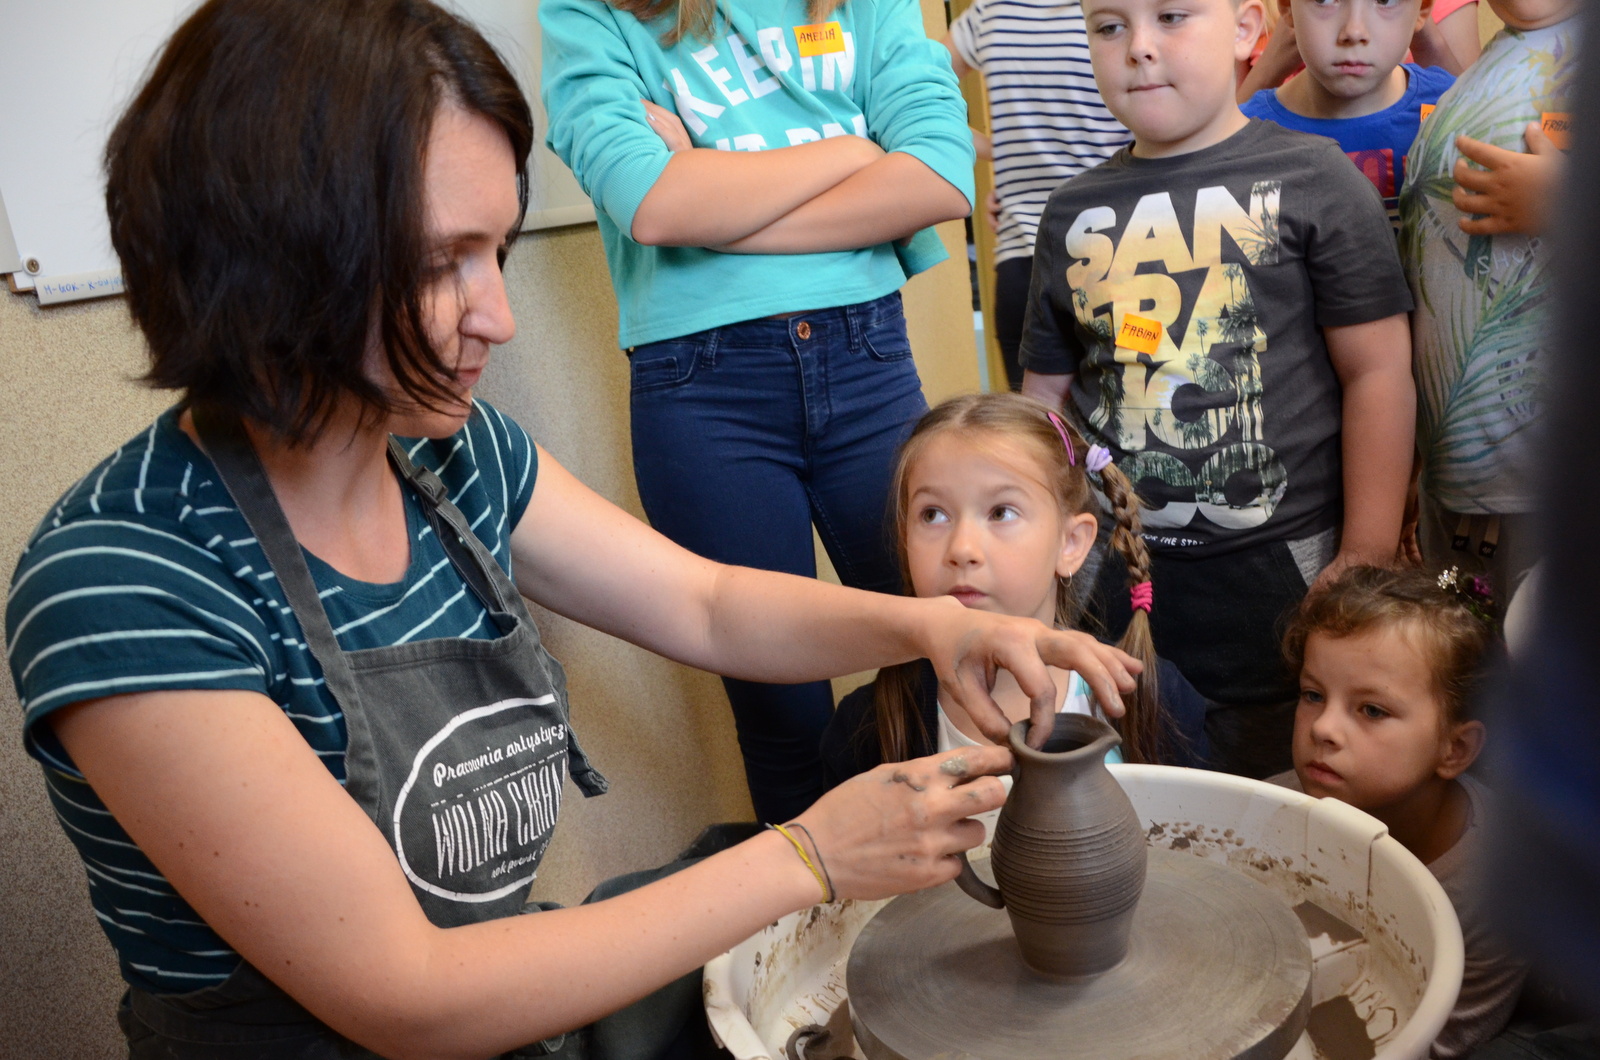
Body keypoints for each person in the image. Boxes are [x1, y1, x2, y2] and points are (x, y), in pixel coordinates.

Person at [4, 2, 1143, 1056]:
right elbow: (408, 994)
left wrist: (929, 628)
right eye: (443, 262)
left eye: (497, 252)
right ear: (274, 250)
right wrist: (804, 855)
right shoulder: (130, 578)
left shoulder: (452, 460)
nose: (495, 315)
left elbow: (706, 602)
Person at [539, 0, 976, 824]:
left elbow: (942, 172)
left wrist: (716, 207)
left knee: (946, 652)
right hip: (704, 387)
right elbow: (652, 203)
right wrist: (852, 150)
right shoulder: (586, 10)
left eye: (848, 148)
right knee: (782, 717)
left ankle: (955, 912)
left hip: (867, 358)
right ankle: (808, 934)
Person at [1019, 0, 1417, 778]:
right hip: (1112, 572)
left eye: (1171, 17)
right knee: (1134, 795)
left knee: (1278, 796)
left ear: (1247, 30)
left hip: (1285, 569)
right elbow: (1043, 403)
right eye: (1109, 26)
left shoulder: (1318, 181)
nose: (1139, 49)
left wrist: (1366, 548)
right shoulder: (1070, 211)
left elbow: (1379, 372)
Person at [821, 393, 1210, 794]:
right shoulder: (867, 727)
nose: (961, 550)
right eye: (933, 514)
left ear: (1071, 544)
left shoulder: (1154, 699)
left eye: (1001, 512)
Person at [1271, 565, 1526, 1058]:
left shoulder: (1498, 885)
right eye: (1313, 694)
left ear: (1454, 749)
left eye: (1371, 710)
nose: (1324, 728)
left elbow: (1437, 1043)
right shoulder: (1273, 812)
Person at [1398, 0, 1577, 611]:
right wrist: (1412, 457)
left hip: (1557, 497)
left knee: (1550, 676)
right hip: (1459, 497)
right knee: (1463, 664)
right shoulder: (1474, 74)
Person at [942, 0, 1130, 391]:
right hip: (1117, 254)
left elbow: (916, 82)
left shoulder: (990, 12)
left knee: (1037, 445)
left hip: (1022, 266)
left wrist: (996, 148)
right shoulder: (1114, 12)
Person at [1239, 0, 1456, 227]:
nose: (1354, 31)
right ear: (1287, 7)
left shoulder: (1452, 112)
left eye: (1385, 0)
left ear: (1422, 8)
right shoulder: (1246, 140)